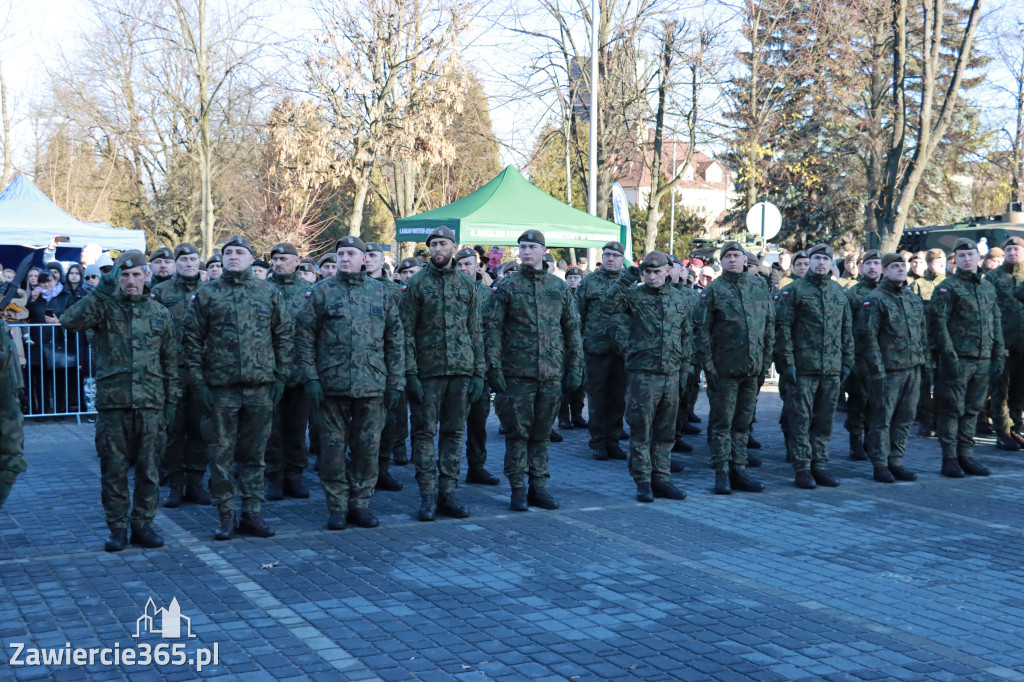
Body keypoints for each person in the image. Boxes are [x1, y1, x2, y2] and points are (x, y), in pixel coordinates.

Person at [60, 251, 179, 551]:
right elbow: (68, 321)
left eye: (136, 275)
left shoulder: (160, 313)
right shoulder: (103, 308)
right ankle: (117, 528)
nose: (130, 281)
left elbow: (170, 363)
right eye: (124, 275)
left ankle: (143, 524)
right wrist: (101, 290)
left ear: (146, 277)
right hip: (114, 405)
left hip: (151, 404)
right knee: (113, 471)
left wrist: (171, 404)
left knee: (149, 470)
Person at [182, 235, 293, 540]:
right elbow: (191, 341)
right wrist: (199, 383)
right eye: (228, 252)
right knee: (220, 455)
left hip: (259, 388)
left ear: (250, 257)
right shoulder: (207, 294)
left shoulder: (267, 292)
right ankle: (226, 515)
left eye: (239, 252)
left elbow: (283, 336)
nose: (233, 257)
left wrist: (281, 377)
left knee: (255, 454)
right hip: (221, 390)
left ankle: (252, 513)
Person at [295, 236, 405, 530]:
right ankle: (337, 505)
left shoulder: (380, 294)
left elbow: (395, 341)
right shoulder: (321, 292)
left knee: (367, 449)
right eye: (340, 253)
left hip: (372, 385)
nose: (344, 258)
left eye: (351, 253)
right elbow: (304, 337)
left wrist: (395, 381)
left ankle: (360, 503)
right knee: (332, 451)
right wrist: (311, 379)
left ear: (364, 260)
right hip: (331, 386)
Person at [485, 230, 583, 511]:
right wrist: (494, 369)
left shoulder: (558, 287)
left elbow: (572, 329)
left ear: (544, 251)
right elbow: (492, 329)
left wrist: (575, 367)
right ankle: (518, 488)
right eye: (522, 247)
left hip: (551, 372)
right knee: (517, 434)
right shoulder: (508, 286)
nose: (526, 252)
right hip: (517, 373)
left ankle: (538, 486)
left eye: (532, 247)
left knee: (542, 433)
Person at [401, 226, 485, 521]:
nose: (438, 249)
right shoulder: (417, 284)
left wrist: (479, 372)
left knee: (455, 433)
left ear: (454, 247)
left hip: (461, 371)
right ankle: (427, 496)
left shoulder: (466, 284)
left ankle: (448, 493)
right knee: (423, 434)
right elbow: (406, 332)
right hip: (427, 372)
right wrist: (410, 373)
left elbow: (475, 331)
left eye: (443, 244)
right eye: (434, 244)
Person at [602, 252, 691, 502]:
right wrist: (628, 276)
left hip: (671, 376)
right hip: (643, 376)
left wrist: (685, 371)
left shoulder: (679, 299)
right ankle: (643, 481)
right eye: (647, 272)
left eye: (656, 272)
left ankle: (661, 478)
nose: (651, 277)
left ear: (668, 271)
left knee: (665, 433)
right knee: (641, 431)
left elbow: (687, 337)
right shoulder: (634, 296)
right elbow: (607, 306)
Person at [694, 241, 773, 495]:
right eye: (727, 256)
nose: (732, 260)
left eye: (736, 255)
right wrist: (709, 366)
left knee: (743, 422)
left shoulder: (759, 286)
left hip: (753, 367)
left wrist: (766, 360)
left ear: (744, 260)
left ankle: (739, 468)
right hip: (724, 369)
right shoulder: (714, 290)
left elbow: (770, 324)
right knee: (722, 423)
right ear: (722, 260)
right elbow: (702, 331)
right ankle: (722, 472)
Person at [775, 243, 853, 489]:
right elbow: (783, 329)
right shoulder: (794, 290)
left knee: (824, 420)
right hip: (803, 368)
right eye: (816, 259)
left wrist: (847, 362)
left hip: (831, 369)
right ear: (809, 261)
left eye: (825, 260)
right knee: (800, 419)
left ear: (832, 264)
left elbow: (846, 330)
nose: (821, 263)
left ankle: (819, 465)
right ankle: (802, 467)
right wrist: (787, 364)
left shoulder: (838, 292)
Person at [931, 238, 1004, 478]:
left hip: (982, 359)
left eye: (970, 255)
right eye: (961, 256)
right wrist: (948, 356)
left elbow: (996, 322)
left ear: (978, 258)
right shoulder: (947, 287)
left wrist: (999, 353)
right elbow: (939, 325)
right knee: (952, 409)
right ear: (955, 260)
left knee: (972, 410)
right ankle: (949, 459)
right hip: (958, 359)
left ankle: (966, 456)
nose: (966, 259)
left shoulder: (987, 287)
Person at [857, 253, 924, 483]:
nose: (900, 269)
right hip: (888, 370)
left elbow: (921, 333)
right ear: (885, 271)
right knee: (882, 419)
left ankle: (896, 460)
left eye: (902, 266)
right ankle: (880, 463)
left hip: (912, 368)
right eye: (894, 266)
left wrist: (923, 362)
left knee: (905, 418)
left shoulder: (911, 297)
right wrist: (877, 370)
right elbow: (868, 337)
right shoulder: (875, 298)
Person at [151, 242, 208, 508]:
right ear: (175, 263)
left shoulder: (210, 291)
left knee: (199, 431)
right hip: (171, 373)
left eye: (192, 259)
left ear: (199, 261)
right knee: (173, 431)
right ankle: (175, 485)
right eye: (182, 259)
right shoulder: (160, 292)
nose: (188, 263)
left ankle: (196, 482)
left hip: (201, 373)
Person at [264, 242, 313, 501]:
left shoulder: (309, 291)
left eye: (285, 258)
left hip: (300, 373)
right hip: (270, 372)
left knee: (296, 428)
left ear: (297, 262)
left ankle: (295, 476)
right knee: (272, 430)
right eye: (276, 259)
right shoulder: (262, 290)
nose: (279, 263)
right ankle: (274, 477)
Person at [574, 241, 629, 461]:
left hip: (621, 350)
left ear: (622, 258)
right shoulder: (589, 282)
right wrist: (580, 344)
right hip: (596, 349)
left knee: (618, 398)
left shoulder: (630, 285)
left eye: (616, 255)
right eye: (607, 254)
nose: (611, 259)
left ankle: (613, 440)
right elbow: (578, 315)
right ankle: (597, 441)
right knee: (597, 398)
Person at [454, 247, 500, 486]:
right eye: (459, 265)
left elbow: (493, 332)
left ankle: (477, 467)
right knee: (452, 424)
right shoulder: (447, 292)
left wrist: (492, 367)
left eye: (468, 265)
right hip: (452, 367)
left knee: (478, 421)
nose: (463, 269)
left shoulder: (488, 295)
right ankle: (448, 473)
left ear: (477, 267)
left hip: (479, 368)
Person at [364, 242, 407, 485]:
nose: (369, 260)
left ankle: (383, 468)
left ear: (383, 261)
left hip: (388, 366)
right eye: (366, 255)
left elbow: (402, 331)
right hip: (360, 369)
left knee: (389, 421)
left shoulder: (395, 291)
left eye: (374, 256)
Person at [845, 250, 882, 462]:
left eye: (876, 264)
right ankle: (855, 442)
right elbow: (846, 327)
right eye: (868, 264)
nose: (872, 268)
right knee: (858, 402)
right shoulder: (853, 294)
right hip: (859, 358)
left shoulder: (889, 292)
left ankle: (871, 439)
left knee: (877, 403)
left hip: (882, 359)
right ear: (861, 268)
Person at [987, 237, 1024, 451]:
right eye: (1009, 249)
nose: (1013, 253)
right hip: (1002, 343)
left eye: (1017, 249)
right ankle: (1003, 432)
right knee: (1001, 391)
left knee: (1020, 390)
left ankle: (1017, 429)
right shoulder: (992, 277)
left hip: (1023, 343)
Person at [911, 248, 946, 437]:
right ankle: (925, 420)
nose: (939, 263)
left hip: (946, 341)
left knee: (944, 383)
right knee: (925, 383)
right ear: (929, 263)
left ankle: (941, 420)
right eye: (935, 261)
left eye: (942, 260)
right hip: (925, 342)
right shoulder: (918, 285)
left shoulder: (951, 284)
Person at [0, 317, 27, 510]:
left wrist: (18, 391)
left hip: (7, 399)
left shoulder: (2, 324)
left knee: (11, 459)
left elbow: (10, 360)